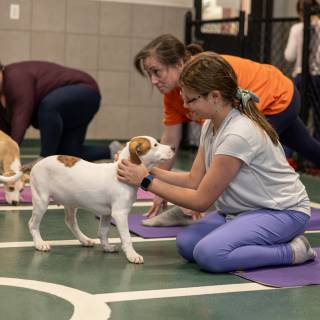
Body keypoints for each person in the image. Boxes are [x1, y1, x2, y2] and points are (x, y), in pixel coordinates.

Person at [117, 52, 316, 273]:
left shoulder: (237, 135)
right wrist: (149, 170)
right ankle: (254, 235)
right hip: (242, 211)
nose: (185, 105)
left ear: (214, 96)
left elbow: (201, 200)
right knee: (186, 245)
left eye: (191, 100)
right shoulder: (209, 125)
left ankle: (293, 251)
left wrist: (146, 181)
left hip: (281, 212)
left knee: (209, 255)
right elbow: (194, 180)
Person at [134, 33, 320, 227]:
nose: (153, 80)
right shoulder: (174, 95)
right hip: (271, 98)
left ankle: (273, 216)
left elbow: (232, 140)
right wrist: (159, 190)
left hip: (278, 96)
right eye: (149, 74)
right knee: (309, 148)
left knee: (233, 160)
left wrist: (191, 200)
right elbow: (170, 141)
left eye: (157, 71)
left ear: (180, 63)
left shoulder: (210, 73)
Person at [0, 60, 121, 165]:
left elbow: (21, 118)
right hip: (66, 110)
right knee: (68, 155)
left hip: (84, 91)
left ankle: (44, 159)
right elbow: (4, 134)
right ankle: (115, 151)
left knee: (49, 105)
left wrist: (9, 155)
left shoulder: (14, 76)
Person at [284, 0, 320, 141]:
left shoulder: (297, 28)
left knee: (297, 118)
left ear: (300, 11)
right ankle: (316, 156)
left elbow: (289, 56)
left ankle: (294, 155)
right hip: (318, 76)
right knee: (318, 119)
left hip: (300, 76)